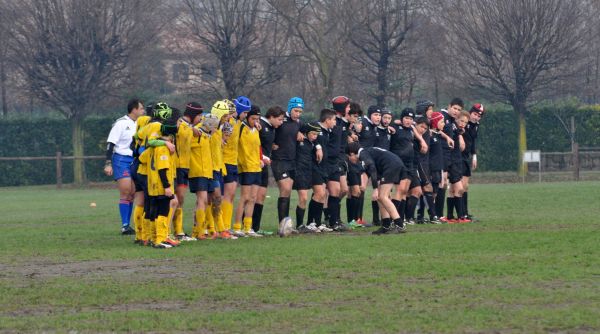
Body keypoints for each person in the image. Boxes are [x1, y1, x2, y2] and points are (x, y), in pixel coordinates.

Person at [346, 142, 407, 235]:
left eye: (348, 157)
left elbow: (372, 169)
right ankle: (386, 225)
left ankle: (399, 224)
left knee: (383, 197)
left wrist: (375, 189)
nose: (350, 160)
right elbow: (370, 170)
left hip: (390, 166)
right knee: (380, 198)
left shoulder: (363, 154)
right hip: (393, 164)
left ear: (352, 153)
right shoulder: (366, 152)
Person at [104, 98, 145, 235]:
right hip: (121, 159)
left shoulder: (141, 123)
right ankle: (125, 225)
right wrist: (108, 163)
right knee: (126, 191)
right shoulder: (121, 123)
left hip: (135, 160)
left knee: (133, 192)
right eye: (141, 108)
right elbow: (111, 144)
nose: (143, 111)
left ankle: (129, 226)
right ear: (134, 110)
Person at [144, 110, 181, 249]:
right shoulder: (163, 149)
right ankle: (160, 239)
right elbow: (162, 169)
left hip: (153, 184)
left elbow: (142, 158)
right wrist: (167, 186)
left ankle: (155, 238)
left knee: (155, 210)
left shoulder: (155, 146)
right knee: (163, 211)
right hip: (161, 185)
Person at [172, 102, 203, 241]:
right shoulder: (179, 124)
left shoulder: (189, 126)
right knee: (176, 199)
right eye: (200, 116)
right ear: (194, 115)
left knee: (180, 200)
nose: (201, 119)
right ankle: (176, 232)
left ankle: (178, 231)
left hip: (185, 167)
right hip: (177, 166)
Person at [271, 97, 304, 223]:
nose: (298, 114)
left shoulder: (298, 123)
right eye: (296, 111)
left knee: (287, 190)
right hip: (279, 160)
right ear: (290, 109)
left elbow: (308, 130)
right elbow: (269, 129)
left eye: (300, 111)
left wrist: (302, 133)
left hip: (292, 161)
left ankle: (285, 223)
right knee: (285, 188)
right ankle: (283, 223)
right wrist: (271, 144)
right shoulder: (280, 119)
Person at [222, 96, 251, 237]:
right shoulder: (228, 123)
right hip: (224, 162)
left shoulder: (239, 123)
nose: (246, 116)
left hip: (233, 162)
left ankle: (226, 227)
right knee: (225, 195)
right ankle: (221, 227)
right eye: (245, 113)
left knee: (231, 194)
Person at [253, 106, 285, 234]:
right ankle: (246, 226)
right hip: (256, 164)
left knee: (261, 196)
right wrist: (263, 156)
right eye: (279, 119)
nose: (281, 122)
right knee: (252, 196)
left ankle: (255, 228)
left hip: (264, 165)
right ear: (271, 116)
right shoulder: (259, 124)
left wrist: (272, 146)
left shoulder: (272, 128)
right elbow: (254, 144)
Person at [233, 105, 263, 237]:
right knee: (244, 197)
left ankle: (247, 227)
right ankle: (237, 227)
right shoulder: (240, 128)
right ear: (247, 117)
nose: (255, 121)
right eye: (253, 118)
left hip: (256, 167)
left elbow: (257, 148)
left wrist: (260, 159)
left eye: (257, 119)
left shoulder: (256, 130)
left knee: (253, 198)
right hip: (245, 168)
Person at [189, 112, 219, 239]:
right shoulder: (196, 134)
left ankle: (197, 230)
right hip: (198, 171)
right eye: (214, 127)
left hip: (207, 172)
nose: (215, 130)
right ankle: (200, 231)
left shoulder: (207, 136)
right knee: (202, 200)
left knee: (203, 201)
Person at [294, 122, 326, 232]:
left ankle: (314, 223)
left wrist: (318, 146)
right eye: (313, 134)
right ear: (306, 133)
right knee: (303, 198)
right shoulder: (299, 139)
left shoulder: (313, 142)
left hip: (310, 170)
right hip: (300, 171)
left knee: (321, 194)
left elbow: (316, 140)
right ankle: (299, 225)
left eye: (316, 134)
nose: (314, 136)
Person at [462, 103, 484, 220]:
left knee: (465, 186)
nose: (476, 117)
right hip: (458, 157)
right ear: (470, 112)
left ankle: (465, 212)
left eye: (479, 116)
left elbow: (473, 141)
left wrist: (474, 156)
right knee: (460, 187)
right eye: (475, 114)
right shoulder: (463, 123)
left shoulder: (476, 125)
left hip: (466, 157)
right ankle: (461, 214)